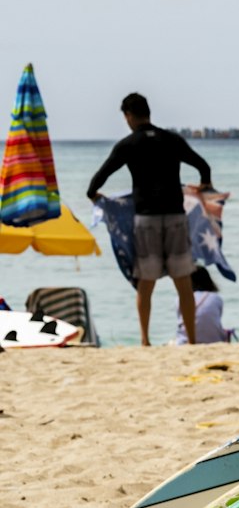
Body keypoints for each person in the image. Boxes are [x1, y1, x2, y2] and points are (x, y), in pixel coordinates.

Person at [85, 93, 215, 346]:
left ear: (129, 116)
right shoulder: (171, 140)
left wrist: (93, 195)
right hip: (176, 216)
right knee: (183, 281)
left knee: (146, 281)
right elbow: (202, 165)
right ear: (148, 112)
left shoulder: (128, 144)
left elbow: (100, 176)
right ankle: (192, 339)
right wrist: (204, 186)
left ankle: (145, 340)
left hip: (147, 219)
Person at [173, 267, 229, 344]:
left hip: (185, 341)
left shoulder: (181, 299)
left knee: (173, 340)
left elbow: (181, 321)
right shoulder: (216, 298)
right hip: (215, 340)